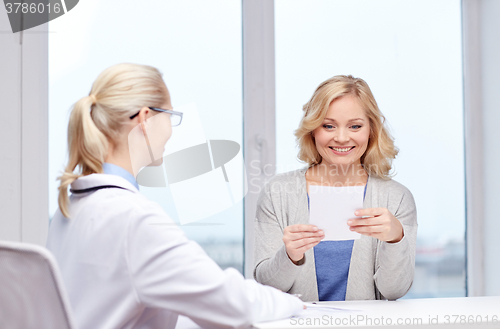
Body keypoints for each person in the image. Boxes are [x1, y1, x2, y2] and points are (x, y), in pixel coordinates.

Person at [46, 63, 303, 329]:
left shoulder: (71, 208)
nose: (170, 129)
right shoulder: (134, 218)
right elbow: (231, 304)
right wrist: (292, 303)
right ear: (145, 119)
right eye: (169, 115)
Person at [253, 75, 417, 302]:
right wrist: (289, 256)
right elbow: (266, 285)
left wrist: (395, 238)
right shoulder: (277, 193)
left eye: (355, 126)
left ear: (371, 130)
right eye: (328, 126)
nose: (341, 137)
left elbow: (394, 291)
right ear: (313, 130)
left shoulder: (396, 198)